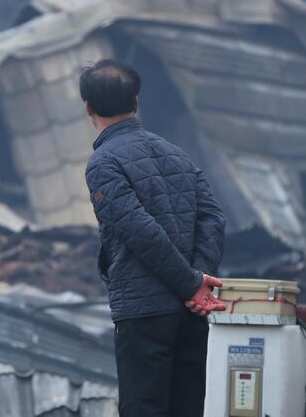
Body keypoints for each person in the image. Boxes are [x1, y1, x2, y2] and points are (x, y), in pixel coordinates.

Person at [81, 59, 227, 417]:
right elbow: (213, 217)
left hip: (144, 313)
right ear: (136, 103)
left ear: (88, 107)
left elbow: (138, 231)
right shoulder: (176, 155)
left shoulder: (103, 163)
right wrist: (197, 280)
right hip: (190, 314)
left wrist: (192, 284)